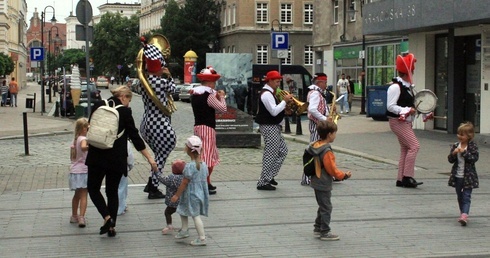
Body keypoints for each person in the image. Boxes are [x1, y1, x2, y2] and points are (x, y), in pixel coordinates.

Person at [86, 86, 158, 237]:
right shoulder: (125, 112)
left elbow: (90, 126)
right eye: (129, 100)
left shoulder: (98, 105)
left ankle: (106, 217)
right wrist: (150, 158)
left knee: (93, 188)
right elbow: (135, 137)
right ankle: (111, 226)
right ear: (124, 97)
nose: (128, 104)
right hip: (116, 158)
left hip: (96, 155)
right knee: (112, 191)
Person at [139, 36, 177, 199]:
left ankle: (151, 182)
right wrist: (168, 76)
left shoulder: (143, 81)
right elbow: (174, 91)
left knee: (159, 156)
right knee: (163, 154)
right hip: (159, 123)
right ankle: (154, 186)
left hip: (146, 123)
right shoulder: (161, 82)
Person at [386, 53, 426, 188]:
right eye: (412, 70)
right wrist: (406, 110)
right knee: (414, 146)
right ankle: (408, 177)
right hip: (398, 122)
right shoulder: (395, 87)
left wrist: (424, 113)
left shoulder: (407, 87)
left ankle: (401, 178)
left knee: (405, 148)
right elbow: (390, 106)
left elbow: (413, 105)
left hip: (404, 122)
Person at [308, 120, 351, 241]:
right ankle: (325, 231)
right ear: (329, 134)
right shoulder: (326, 151)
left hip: (316, 180)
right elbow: (332, 169)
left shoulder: (316, 145)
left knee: (322, 205)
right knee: (327, 207)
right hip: (323, 182)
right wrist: (343, 175)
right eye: (334, 133)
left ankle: (317, 227)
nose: (335, 135)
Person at [190, 66, 227, 195]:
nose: (215, 85)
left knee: (201, 154)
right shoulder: (209, 95)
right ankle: (204, 182)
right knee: (208, 156)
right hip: (208, 127)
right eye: (214, 82)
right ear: (210, 82)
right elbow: (222, 109)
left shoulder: (195, 94)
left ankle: (207, 181)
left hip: (197, 127)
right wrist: (222, 97)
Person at [255, 70, 293, 191]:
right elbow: (274, 111)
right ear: (270, 81)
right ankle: (263, 181)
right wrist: (284, 101)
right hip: (268, 125)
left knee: (283, 150)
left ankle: (269, 175)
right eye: (276, 82)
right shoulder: (266, 94)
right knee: (270, 153)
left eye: (279, 81)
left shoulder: (271, 92)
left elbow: (277, 110)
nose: (278, 84)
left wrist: (285, 107)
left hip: (273, 125)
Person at [171, 136, 210, 246]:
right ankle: (184, 230)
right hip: (200, 193)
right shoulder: (204, 165)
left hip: (191, 194)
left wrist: (176, 195)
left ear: (187, 150)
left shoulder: (189, 166)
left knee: (195, 215)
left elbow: (184, 182)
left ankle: (202, 238)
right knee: (182, 209)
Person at [448, 122, 479, 226]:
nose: (459, 136)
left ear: (469, 136)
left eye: (462, 135)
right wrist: (453, 153)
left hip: (469, 177)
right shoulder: (456, 145)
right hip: (457, 176)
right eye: (458, 134)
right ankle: (462, 212)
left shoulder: (472, 146)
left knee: (466, 196)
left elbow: (474, 158)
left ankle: (465, 215)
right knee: (459, 195)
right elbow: (450, 160)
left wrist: (464, 153)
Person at [303, 73, 331, 185]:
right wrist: (325, 118)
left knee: (319, 150)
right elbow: (312, 109)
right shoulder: (315, 93)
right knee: (314, 150)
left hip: (319, 124)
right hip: (317, 125)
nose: (326, 85)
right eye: (325, 82)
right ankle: (307, 177)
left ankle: (321, 174)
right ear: (319, 82)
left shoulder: (317, 93)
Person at [69, 117, 89, 228]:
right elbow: (83, 147)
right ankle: (82, 217)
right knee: (84, 195)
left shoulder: (75, 139)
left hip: (74, 171)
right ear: (83, 128)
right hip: (83, 171)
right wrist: (89, 146)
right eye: (87, 127)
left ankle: (74, 215)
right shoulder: (83, 139)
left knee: (76, 195)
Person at [158, 159, 185, 234]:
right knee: (183, 214)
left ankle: (169, 225)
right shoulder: (185, 177)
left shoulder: (170, 178)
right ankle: (184, 227)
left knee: (167, 213)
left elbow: (161, 179)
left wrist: (156, 172)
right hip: (182, 200)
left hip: (173, 201)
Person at [117, 141, 134, 216]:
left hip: (109, 167)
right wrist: (130, 165)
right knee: (122, 188)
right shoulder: (126, 142)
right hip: (122, 166)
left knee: (112, 188)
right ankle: (120, 208)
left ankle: (114, 206)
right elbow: (129, 156)